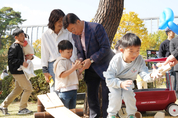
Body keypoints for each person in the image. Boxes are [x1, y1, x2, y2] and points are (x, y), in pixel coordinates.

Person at [63, 13, 114, 118]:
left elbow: (105, 48)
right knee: (91, 98)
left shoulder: (96, 28)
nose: (73, 32)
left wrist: (91, 60)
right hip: (90, 69)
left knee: (107, 98)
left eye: (73, 29)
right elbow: (80, 51)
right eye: (70, 31)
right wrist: (80, 60)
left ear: (78, 21)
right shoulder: (74, 35)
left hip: (105, 67)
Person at [103, 33, 162, 118]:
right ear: (122, 50)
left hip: (128, 81)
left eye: (137, 50)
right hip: (115, 81)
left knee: (129, 95)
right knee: (115, 96)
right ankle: (111, 115)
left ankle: (131, 115)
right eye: (131, 51)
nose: (135, 54)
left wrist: (152, 75)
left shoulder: (139, 59)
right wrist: (120, 84)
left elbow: (144, 74)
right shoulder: (116, 60)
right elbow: (109, 78)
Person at [41, 9, 77, 93]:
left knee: (67, 89)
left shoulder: (68, 33)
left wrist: (74, 63)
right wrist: (45, 71)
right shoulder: (45, 35)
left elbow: (73, 49)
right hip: (52, 65)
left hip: (67, 63)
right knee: (54, 90)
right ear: (53, 20)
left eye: (62, 21)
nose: (61, 23)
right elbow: (44, 53)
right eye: (59, 21)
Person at [0, 29, 33, 115]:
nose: (23, 37)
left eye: (23, 35)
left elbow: (26, 55)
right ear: (16, 37)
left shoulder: (21, 46)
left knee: (17, 90)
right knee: (28, 88)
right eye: (21, 35)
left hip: (20, 70)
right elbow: (11, 60)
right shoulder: (14, 46)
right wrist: (22, 62)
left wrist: (30, 58)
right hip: (17, 71)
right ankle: (22, 108)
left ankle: (3, 106)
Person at [53, 40, 82, 110]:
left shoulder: (70, 61)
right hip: (65, 91)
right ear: (61, 51)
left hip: (73, 89)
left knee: (72, 111)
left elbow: (74, 75)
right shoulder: (60, 62)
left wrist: (80, 69)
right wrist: (74, 68)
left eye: (71, 52)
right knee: (65, 112)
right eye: (68, 52)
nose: (70, 54)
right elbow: (62, 75)